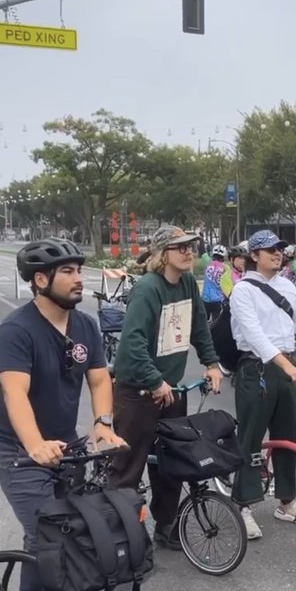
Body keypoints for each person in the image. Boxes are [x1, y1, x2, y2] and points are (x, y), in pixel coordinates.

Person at [0, 238, 126, 591]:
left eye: (79, 270)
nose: (79, 279)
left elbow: (99, 378)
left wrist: (102, 423)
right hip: (17, 448)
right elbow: (14, 393)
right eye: (68, 272)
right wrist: (33, 444)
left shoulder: (84, 325)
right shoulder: (16, 331)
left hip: (65, 443)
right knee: (45, 531)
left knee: (77, 524)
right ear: (41, 279)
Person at [110, 225, 222, 549]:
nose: (189, 252)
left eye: (190, 246)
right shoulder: (148, 289)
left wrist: (212, 363)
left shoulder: (187, 282)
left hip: (170, 390)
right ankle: (122, 537)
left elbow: (199, 326)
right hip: (138, 392)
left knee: (172, 460)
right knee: (128, 468)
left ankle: (166, 525)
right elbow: (132, 344)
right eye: (180, 248)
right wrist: (155, 380)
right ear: (162, 255)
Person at [229, 230, 296, 540]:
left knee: (286, 437)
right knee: (250, 438)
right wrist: (289, 367)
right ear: (254, 256)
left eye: (279, 249)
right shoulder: (243, 291)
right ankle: (243, 505)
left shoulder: (288, 286)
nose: (277, 254)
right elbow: (254, 336)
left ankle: (287, 501)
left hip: (286, 370)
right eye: (269, 250)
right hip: (256, 369)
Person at [202, 244, 228, 321]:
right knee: (216, 323)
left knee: (204, 322)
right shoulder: (226, 268)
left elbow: (203, 253)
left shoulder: (208, 262)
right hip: (218, 300)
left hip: (205, 298)